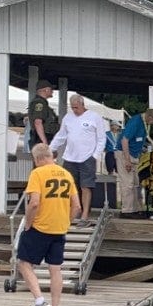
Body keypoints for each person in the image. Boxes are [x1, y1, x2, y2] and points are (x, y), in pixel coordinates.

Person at [17, 143, 76, 306]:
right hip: (60, 228)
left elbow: (34, 202)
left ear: (37, 159)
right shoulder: (67, 174)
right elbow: (77, 206)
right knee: (55, 269)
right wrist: (67, 221)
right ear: (51, 156)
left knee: (24, 263)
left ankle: (39, 301)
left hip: (40, 226)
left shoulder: (37, 173)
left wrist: (28, 223)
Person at [49, 93, 106, 222]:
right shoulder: (67, 118)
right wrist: (51, 149)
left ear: (82, 104)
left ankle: (85, 214)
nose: (75, 110)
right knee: (68, 186)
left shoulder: (94, 117)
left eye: (76, 107)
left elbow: (102, 138)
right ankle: (71, 212)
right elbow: (61, 135)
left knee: (86, 186)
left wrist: (95, 155)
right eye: (72, 107)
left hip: (87, 157)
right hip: (70, 157)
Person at [117, 106, 147, 215]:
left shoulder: (143, 123)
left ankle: (135, 209)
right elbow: (124, 140)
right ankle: (127, 210)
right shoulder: (135, 121)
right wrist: (127, 160)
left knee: (135, 183)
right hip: (125, 154)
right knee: (128, 183)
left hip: (134, 155)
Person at [26, 82, 57, 149]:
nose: (52, 91)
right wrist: (44, 142)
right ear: (45, 90)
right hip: (40, 139)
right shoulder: (40, 103)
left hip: (42, 138)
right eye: (51, 89)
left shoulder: (43, 103)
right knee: (43, 158)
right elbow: (38, 122)